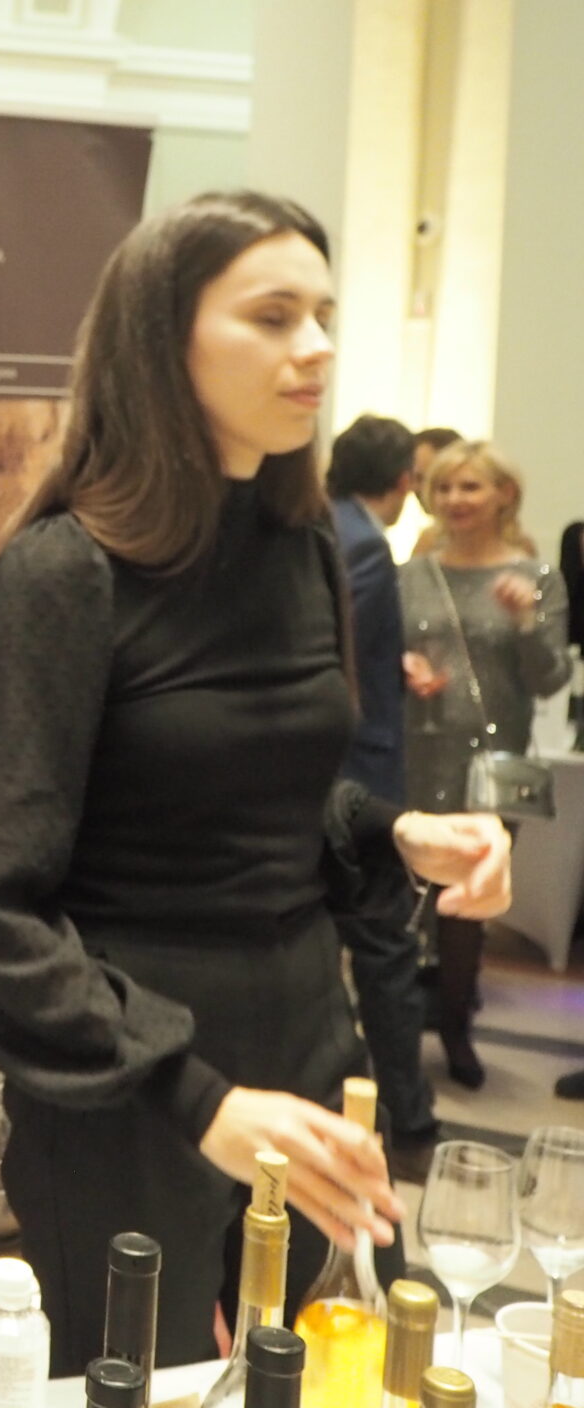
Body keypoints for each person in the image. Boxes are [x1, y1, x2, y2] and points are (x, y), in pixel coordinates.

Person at [0, 190, 514, 1375]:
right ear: (165, 338)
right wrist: (196, 1100)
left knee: (337, 1367)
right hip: (131, 1087)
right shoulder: (63, 576)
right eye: (274, 316)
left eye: (325, 315)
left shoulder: (303, 546)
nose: (317, 348)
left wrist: (399, 835)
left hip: (305, 1040)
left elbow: (277, 799)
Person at [399, 440, 569, 1089]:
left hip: (490, 766)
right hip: (416, 752)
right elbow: (379, 649)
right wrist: (403, 664)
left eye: (469, 487)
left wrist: (525, 621)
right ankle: (395, 1027)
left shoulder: (538, 577)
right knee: (401, 892)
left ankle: (455, 1028)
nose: (454, 500)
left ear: (504, 495)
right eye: (443, 488)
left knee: (467, 903)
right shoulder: (413, 573)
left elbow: (550, 679)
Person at [324, 414, 439, 1177]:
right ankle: (409, 1118)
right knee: (386, 949)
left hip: (335, 768)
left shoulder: (326, 524)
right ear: (403, 481)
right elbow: (329, 651)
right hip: (355, 772)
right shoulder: (362, 542)